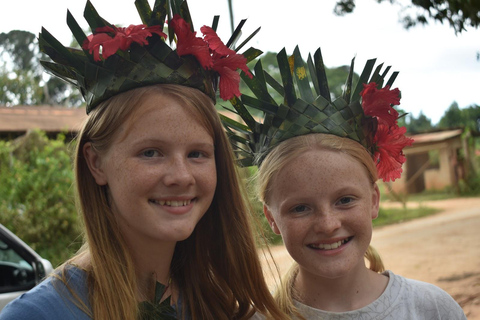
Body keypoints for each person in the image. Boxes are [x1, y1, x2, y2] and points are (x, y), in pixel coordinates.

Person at [0, 1, 289, 319]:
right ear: (96, 163)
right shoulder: (37, 316)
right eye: (151, 152)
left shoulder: (221, 304)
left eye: (197, 154)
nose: (181, 176)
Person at [222, 46, 467, 319]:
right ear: (271, 218)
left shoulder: (432, 309)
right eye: (300, 208)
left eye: (345, 200)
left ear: (374, 199)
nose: (328, 224)